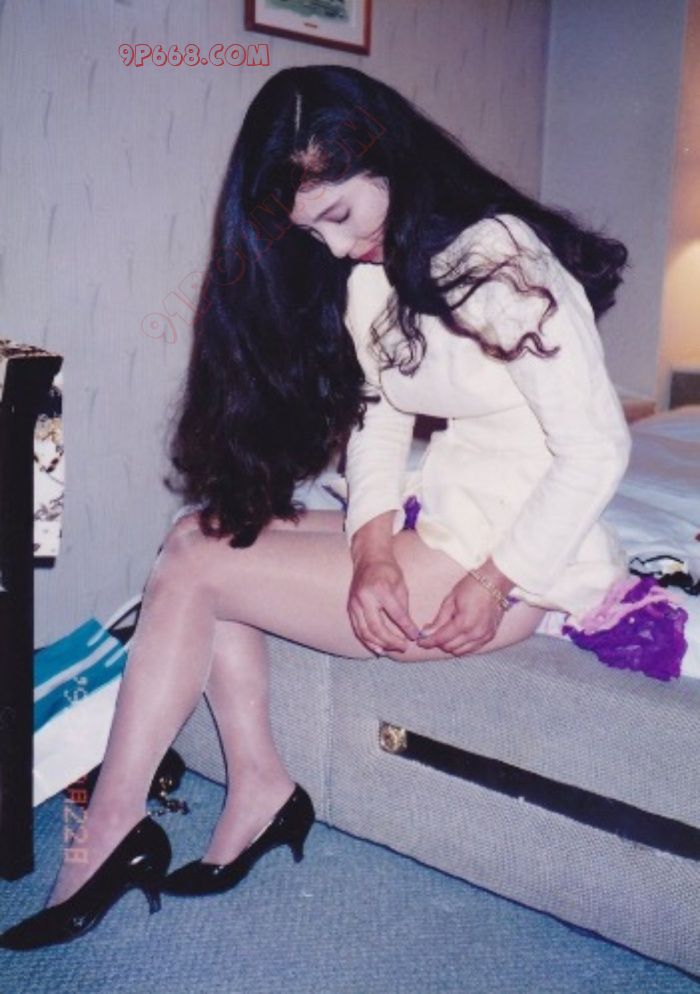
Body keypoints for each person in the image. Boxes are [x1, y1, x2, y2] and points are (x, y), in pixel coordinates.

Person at [0, 64, 683, 951]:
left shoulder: (501, 259)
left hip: (515, 556)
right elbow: (381, 417)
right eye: (309, 229)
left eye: (338, 214)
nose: (330, 246)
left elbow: (599, 448)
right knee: (203, 535)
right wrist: (371, 546)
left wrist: (495, 580)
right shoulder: (378, 275)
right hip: (447, 516)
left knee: (195, 567)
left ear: (390, 160)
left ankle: (110, 830)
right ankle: (258, 788)